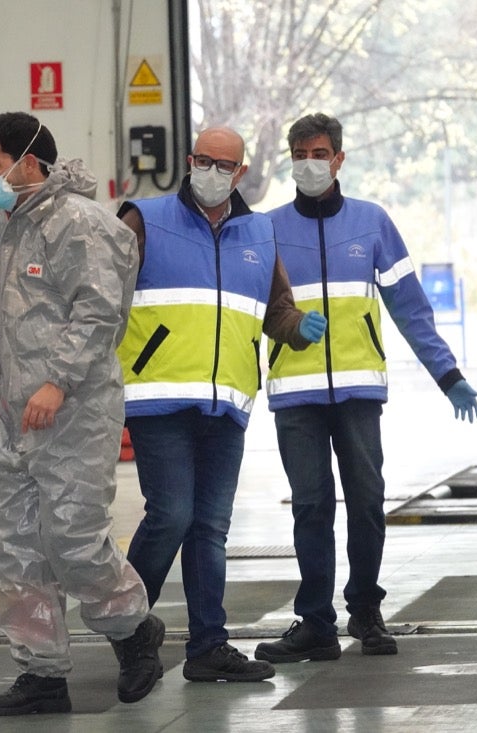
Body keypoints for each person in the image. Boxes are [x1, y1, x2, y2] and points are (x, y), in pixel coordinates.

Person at [254, 113, 477, 664]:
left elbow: (409, 307)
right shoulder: (267, 230)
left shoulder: (372, 222)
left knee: (367, 504)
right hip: (295, 395)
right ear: (292, 159)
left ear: (339, 159)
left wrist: (447, 374)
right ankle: (315, 623)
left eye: (320, 152)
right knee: (310, 507)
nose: (310, 162)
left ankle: (366, 611)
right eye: (301, 153)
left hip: (358, 394)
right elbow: (247, 309)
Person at [116, 126, 326, 683]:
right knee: (172, 515)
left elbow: (275, 310)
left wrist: (299, 326)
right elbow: (100, 300)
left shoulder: (260, 232)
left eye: (223, 165)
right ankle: (126, 626)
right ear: (189, 161)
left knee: (210, 528)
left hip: (227, 405)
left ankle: (208, 646)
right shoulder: (145, 220)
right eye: (203, 161)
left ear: (240, 173)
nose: (211, 172)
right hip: (157, 399)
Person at [0, 111, 162, 716]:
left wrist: (56, 383)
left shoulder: (80, 224)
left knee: (73, 540)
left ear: (30, 162)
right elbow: (9, 327)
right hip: (15, 416)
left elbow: (98, 313)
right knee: (17, 548)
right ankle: (42, 673)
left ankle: (135, 632)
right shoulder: (10, 224)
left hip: (74, 413)